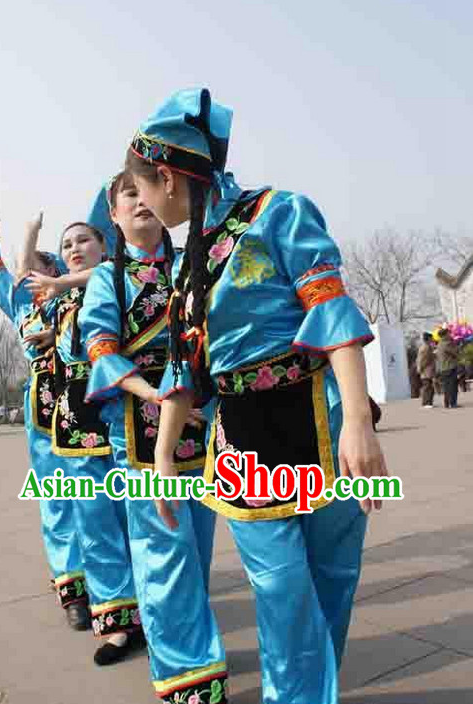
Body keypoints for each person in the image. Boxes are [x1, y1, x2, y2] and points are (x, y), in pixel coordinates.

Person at [125, 88, 388, 704]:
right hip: (241, 440)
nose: (141, 204)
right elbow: (185, 373)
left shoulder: (278, 212)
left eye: (140, 191)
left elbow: (330, 309)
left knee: (330, 577)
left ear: (165, 177)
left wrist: (359, 422)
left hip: (319, 420)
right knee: (279, 588)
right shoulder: (186, 265)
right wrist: (164, 458)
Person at [78, 171, 217, 677]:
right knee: (164, 550)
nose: (138, 202)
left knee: (197, 549)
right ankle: (186, 672)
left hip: (203, 423)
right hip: (140, 426)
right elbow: (100, 350)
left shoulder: (192, 265)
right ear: (112, 216)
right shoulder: (106, 278)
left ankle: (184, 640)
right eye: (126, 196)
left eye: (143, 192)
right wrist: (157, 395)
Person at [31, 221, 144, 665]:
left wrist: (60, 280)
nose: (74, 248)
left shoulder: (121, 278)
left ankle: (152, 614)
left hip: (119, 417)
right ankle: (117, 625)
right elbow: (28, 283)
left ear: (104, 245)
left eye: (83, 240)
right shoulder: (59, 302)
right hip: (74, 425)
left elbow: (110, 269)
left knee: (136, 522)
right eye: (66, 244)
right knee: (95, 530)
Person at [0, 210, 89, 631]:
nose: (27, 278)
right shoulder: (23, 306)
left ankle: (112, 584)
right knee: (57, 501)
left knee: (97, 501)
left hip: (85, 404)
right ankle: (73, 589)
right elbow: (4, 274)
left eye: (37, 270)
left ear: (54, 272)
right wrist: (10, 236)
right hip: (42, 412)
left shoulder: (73, 298)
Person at [436, 328, 459, 408]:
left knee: (446, 386)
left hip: (443, 368)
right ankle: (453, 403)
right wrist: (456, 344)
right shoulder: (447, 343)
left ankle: (447, 403)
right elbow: (455, 352)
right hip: (450, 367)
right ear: (445, 335)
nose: (450, 334)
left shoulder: (439, 344)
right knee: (452, 386)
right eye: (448, 333)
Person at [416, 332, 436, 408]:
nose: (432, 339)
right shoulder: (425, 348)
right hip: (426, 371)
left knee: (429, 386)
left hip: (428, 370)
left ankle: (428, 402)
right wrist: (420, 369)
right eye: (431, 338)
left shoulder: (428, 346)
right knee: (427, 387)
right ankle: (426, 403)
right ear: (428, 339)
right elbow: (421, 360)